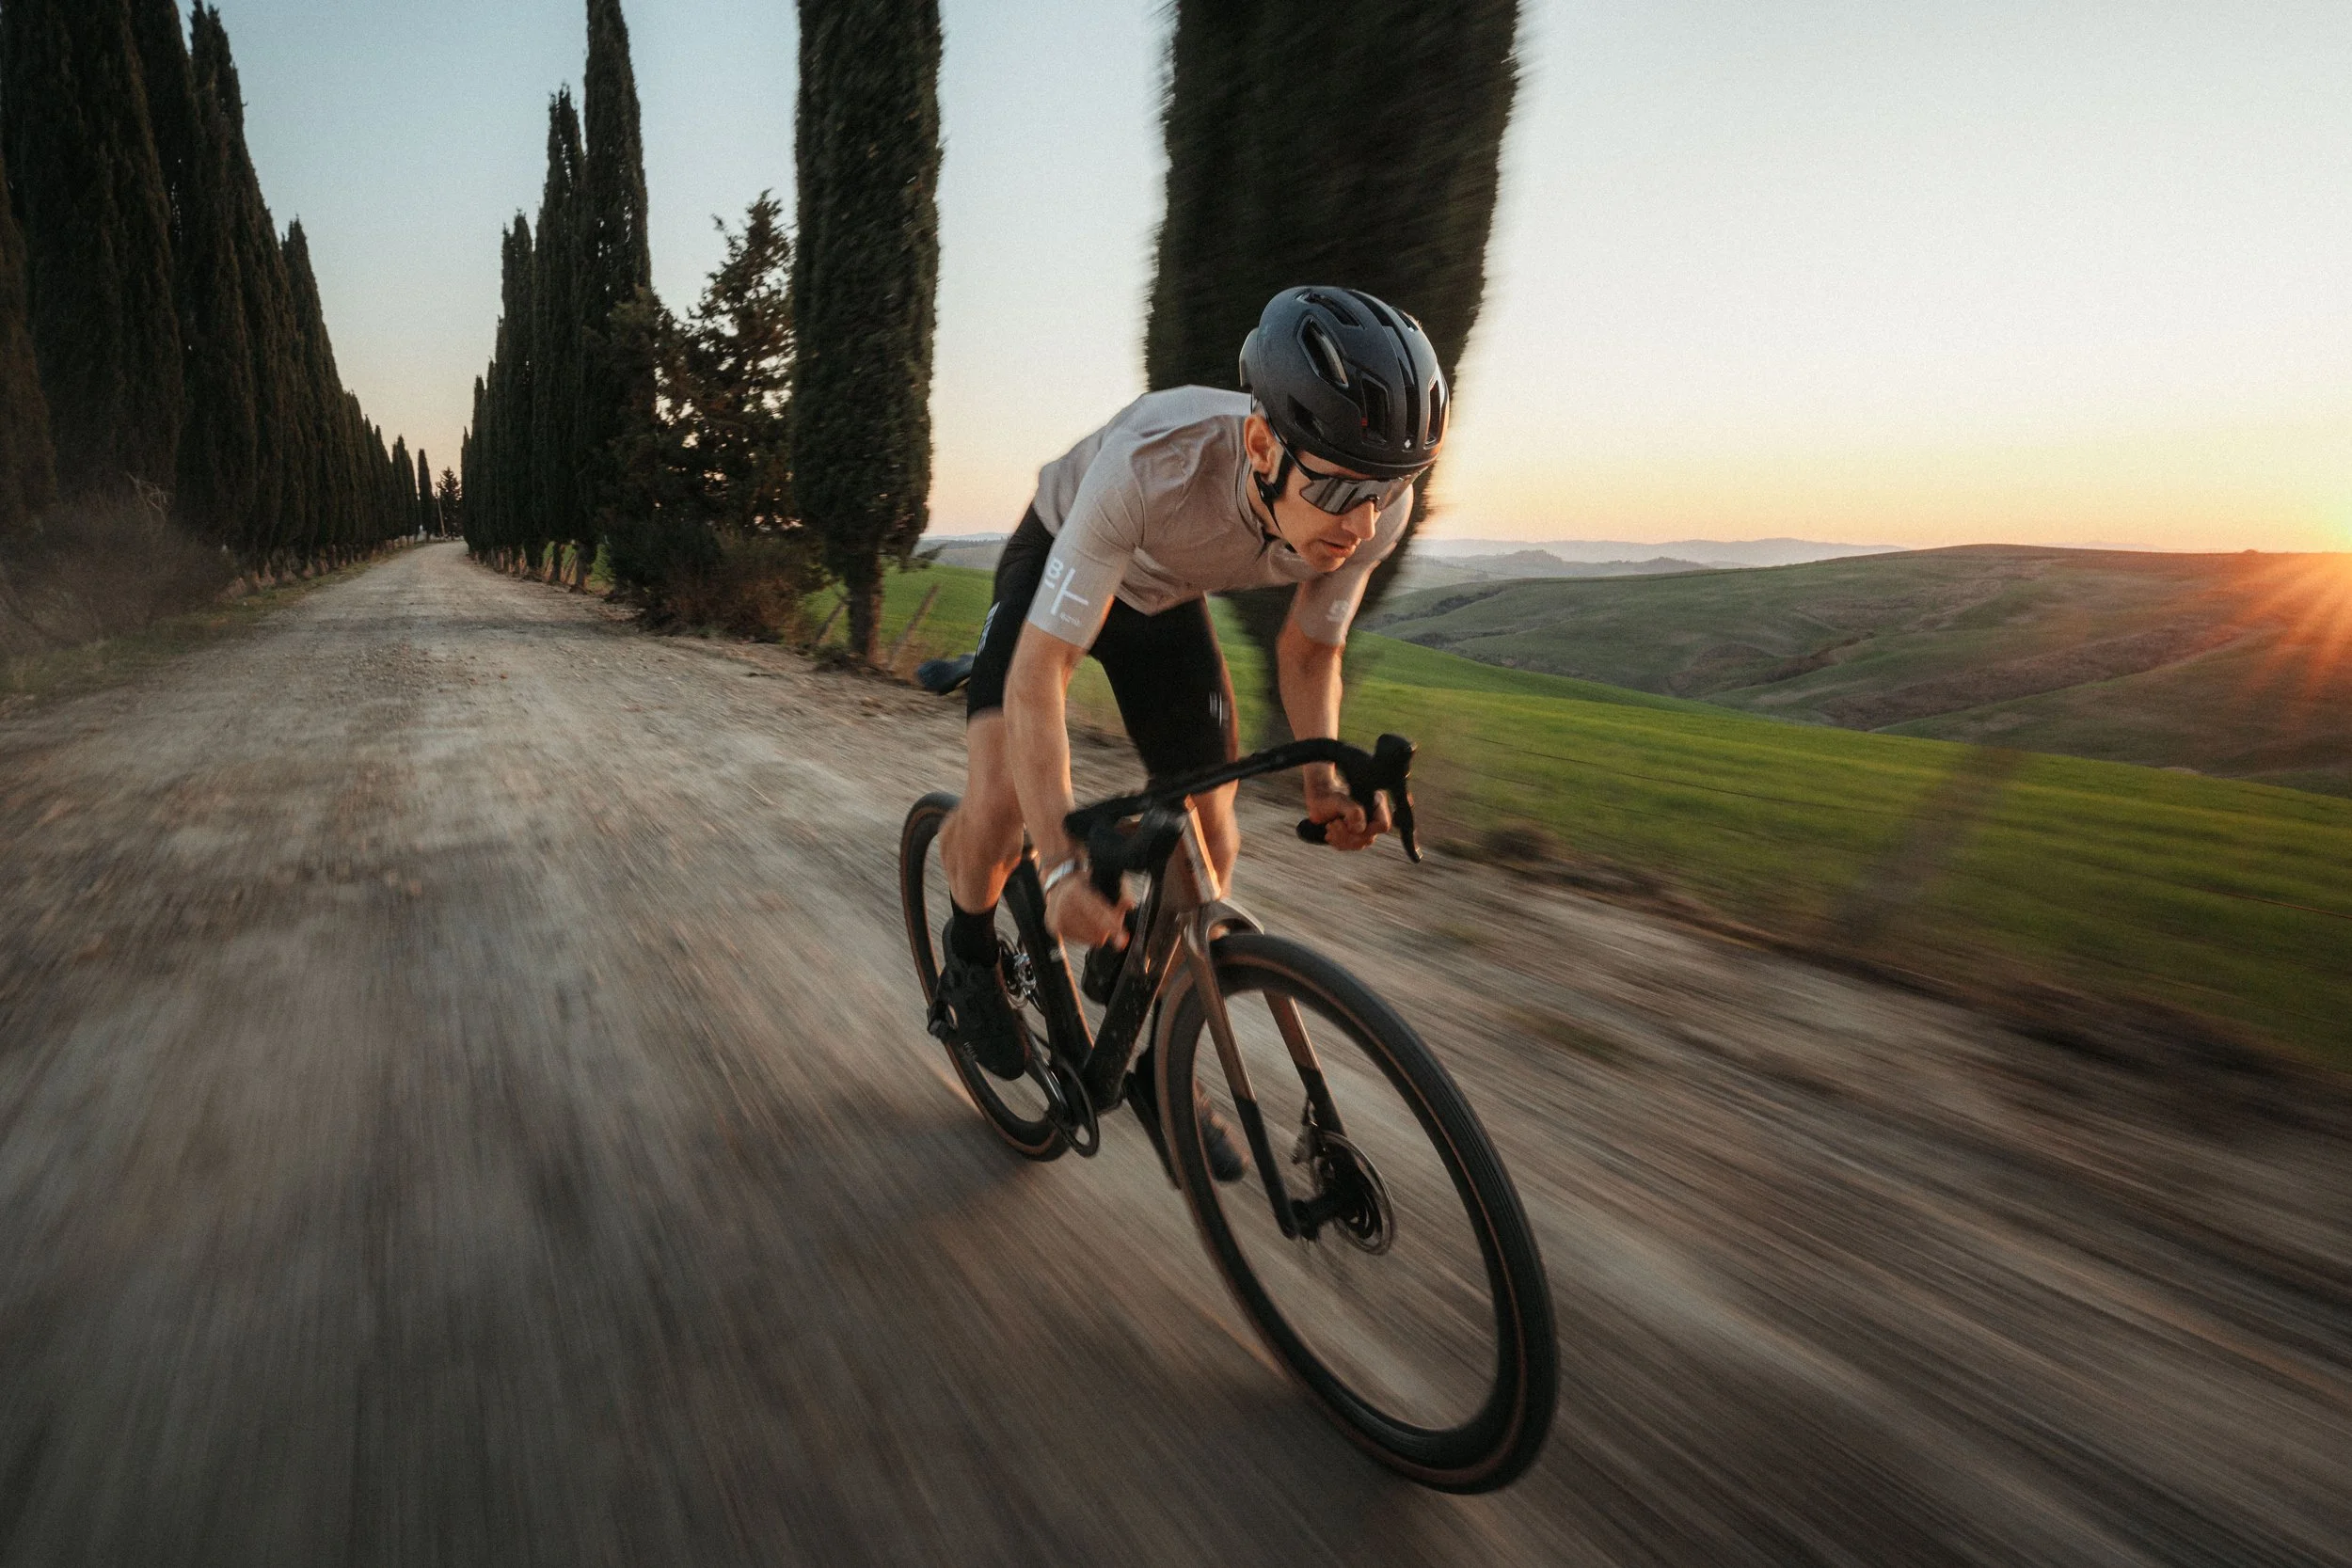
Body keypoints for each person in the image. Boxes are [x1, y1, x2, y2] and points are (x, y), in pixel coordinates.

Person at [932, 286, 1447, 1174]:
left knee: (1213, 840)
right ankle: (971, 955)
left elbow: (1311, 650)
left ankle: (1158, 1062)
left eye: (1389, 489)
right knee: (1005, 807)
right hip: (1062, 558)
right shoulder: (1153, 464)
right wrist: (1057, 864)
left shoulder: (1369, 509)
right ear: (1260, 443)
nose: (1363, 523)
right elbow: (1040, 674)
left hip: (1162, 600)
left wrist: (1326, 788)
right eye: (1336, 487)